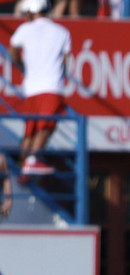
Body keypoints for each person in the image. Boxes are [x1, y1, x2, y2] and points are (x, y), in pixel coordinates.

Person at [9, 0, 71, 177]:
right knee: (45, 127)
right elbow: (66, 62)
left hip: (31, 88)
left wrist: (22, 65)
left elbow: (13, 50)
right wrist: (61, 74)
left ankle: (24, 167)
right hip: (52, 86)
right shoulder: (62, 32)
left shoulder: (24, 30)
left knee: (30, 128)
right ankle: (31, 161)